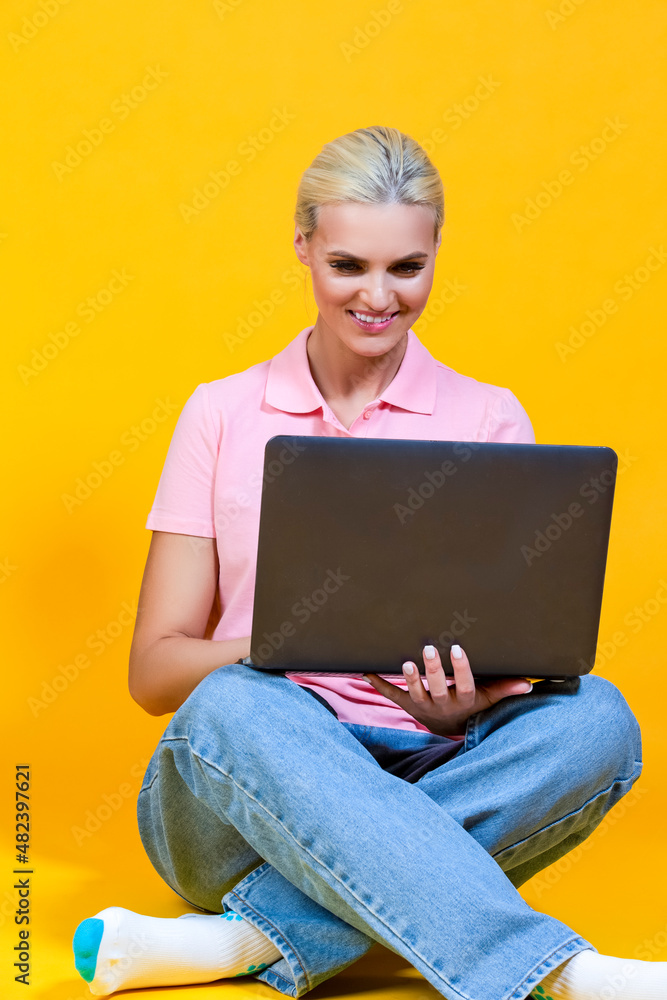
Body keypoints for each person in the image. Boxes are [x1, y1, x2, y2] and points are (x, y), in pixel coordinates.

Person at [71, 127, 663, 1000]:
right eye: (348, 265)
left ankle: (242, 941)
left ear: (434, 257)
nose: (378, 297)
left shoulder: (489, 418)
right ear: (303, 246)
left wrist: (461, 706)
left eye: (406, 269)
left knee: (597, 721)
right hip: (245, 797)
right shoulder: (221, 412)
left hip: (428, 762)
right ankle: (559, 971)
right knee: (234, 702)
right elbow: (156, 673)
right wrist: (283, 643)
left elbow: (513, 655)